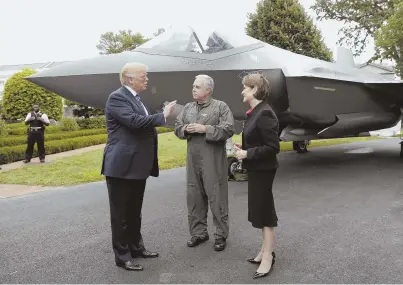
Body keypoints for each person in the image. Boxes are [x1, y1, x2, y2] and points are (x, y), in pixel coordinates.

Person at [101, 62, 176, 271]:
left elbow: (141, 122)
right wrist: (163, 116)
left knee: (134, 212)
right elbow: (135, 122)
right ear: (129, 79)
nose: (147, 79)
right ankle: (122, 256)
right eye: (143, 76)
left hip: (136, 165)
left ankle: (136, 247)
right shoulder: (117, 98)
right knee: (121, 215)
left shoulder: (136, 99)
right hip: (121, 167)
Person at [174, 74, 235, 251]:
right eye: (193, 86)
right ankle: (199, 233)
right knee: (194, 197)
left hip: (213, 161)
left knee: (217, 197)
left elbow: (229, 128)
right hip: (193, 160)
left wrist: (205, 128)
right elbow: (177, 127)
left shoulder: (220, 107)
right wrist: (185, 129)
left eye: (197, 86)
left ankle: (220, 235)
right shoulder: (187, 108)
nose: (193, 89)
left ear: (208, 90)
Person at [233, 73, 280, 279]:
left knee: (264, 211)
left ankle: (268, 256)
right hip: (257, 168)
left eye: (245, 87)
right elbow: (258, 140)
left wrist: (248, 153)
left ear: (254, 89)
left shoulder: (265, 113)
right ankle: (264, 251)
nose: (242, 91)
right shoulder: (255, 112)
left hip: (264, 169)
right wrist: (243, 148)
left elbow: (273, 147)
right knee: (260, 210)